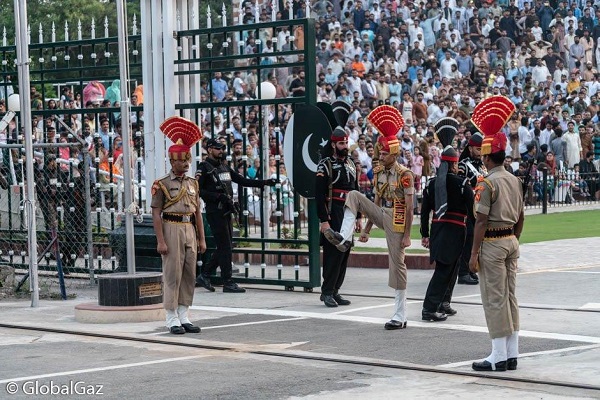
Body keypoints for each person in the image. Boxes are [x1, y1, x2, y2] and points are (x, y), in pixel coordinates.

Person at [324, 105, 414, 329]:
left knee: (397, 265)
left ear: (394, 154)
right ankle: (344, 237)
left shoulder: (405, 175)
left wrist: (407, 235)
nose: (380, 156)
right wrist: (365, 230)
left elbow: (411, 207)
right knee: (354, 194)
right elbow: (375, 202)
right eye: (379, 153)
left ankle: (399, 315)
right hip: (384, 213)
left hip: (399, 218)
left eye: (384, 153)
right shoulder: (380, 173)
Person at [469, 96, 525, 372]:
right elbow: (522, 216)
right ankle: (512, 353)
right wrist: (513, 238)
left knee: (494, 298)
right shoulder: (514, 179)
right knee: (511, 296)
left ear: (488, 156)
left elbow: (480, 220)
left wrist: (473, 253)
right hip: (511, 240)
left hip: (491, 242)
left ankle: (498, 356)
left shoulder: (487, 182)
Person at [196, 138, 278, 293]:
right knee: (225, 246)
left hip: (226, 210)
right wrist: (216, 196)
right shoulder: (204, 168)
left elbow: (241, 180)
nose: (221, 151)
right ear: (209, 149)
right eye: (218, 148)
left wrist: (264, 182)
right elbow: (198, 190)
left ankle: (205, 275)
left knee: (225, 246)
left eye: (223, 148)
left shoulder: (224, 167)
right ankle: (227, 281)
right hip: (214, 211)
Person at [151, 116, 206, 335]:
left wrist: (201, 238)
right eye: (181, 160)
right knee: (172, 273)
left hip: (189, 229)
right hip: (171, 227)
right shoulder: (162, 184)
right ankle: (171, 317)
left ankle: (184, 314)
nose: (185, 164)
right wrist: (161, 241)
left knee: (189, 273)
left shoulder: (193, 183)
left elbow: (197, 212)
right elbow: (156, 213)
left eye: (187, 160)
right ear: (172, 161)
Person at [420, 118, 474, 322]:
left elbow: (425, 212)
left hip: (438, 231)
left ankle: (442, 303)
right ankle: (429, 308)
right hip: (455, 232)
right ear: (454, 164)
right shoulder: (462, 184)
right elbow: (473, 211)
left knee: (449, 271)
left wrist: (425, 234)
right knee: (444, 272)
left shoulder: (432, 184)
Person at [316, 127, 359, 308]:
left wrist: (358, 217)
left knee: (344, 253)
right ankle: (326, 292)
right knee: (333, 255)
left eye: (346, 142)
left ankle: (335, 290)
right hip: (334, 212)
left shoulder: (350, 163)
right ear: (333, 144)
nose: (344, 146)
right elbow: (319, 195)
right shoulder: (324, 164)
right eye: (341, 143)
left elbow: (356, 191)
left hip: (349, 211)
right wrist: (324, 220)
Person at [454, 130, 485, 286]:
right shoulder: (463, 166)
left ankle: (471, 269)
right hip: (467, 208)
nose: (480, 152)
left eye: (482, 149)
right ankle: (463, 272)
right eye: (478, 149)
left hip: (480, 207)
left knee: (477, 238)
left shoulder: (482, 165)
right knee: (469, 238)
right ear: (471, 148)